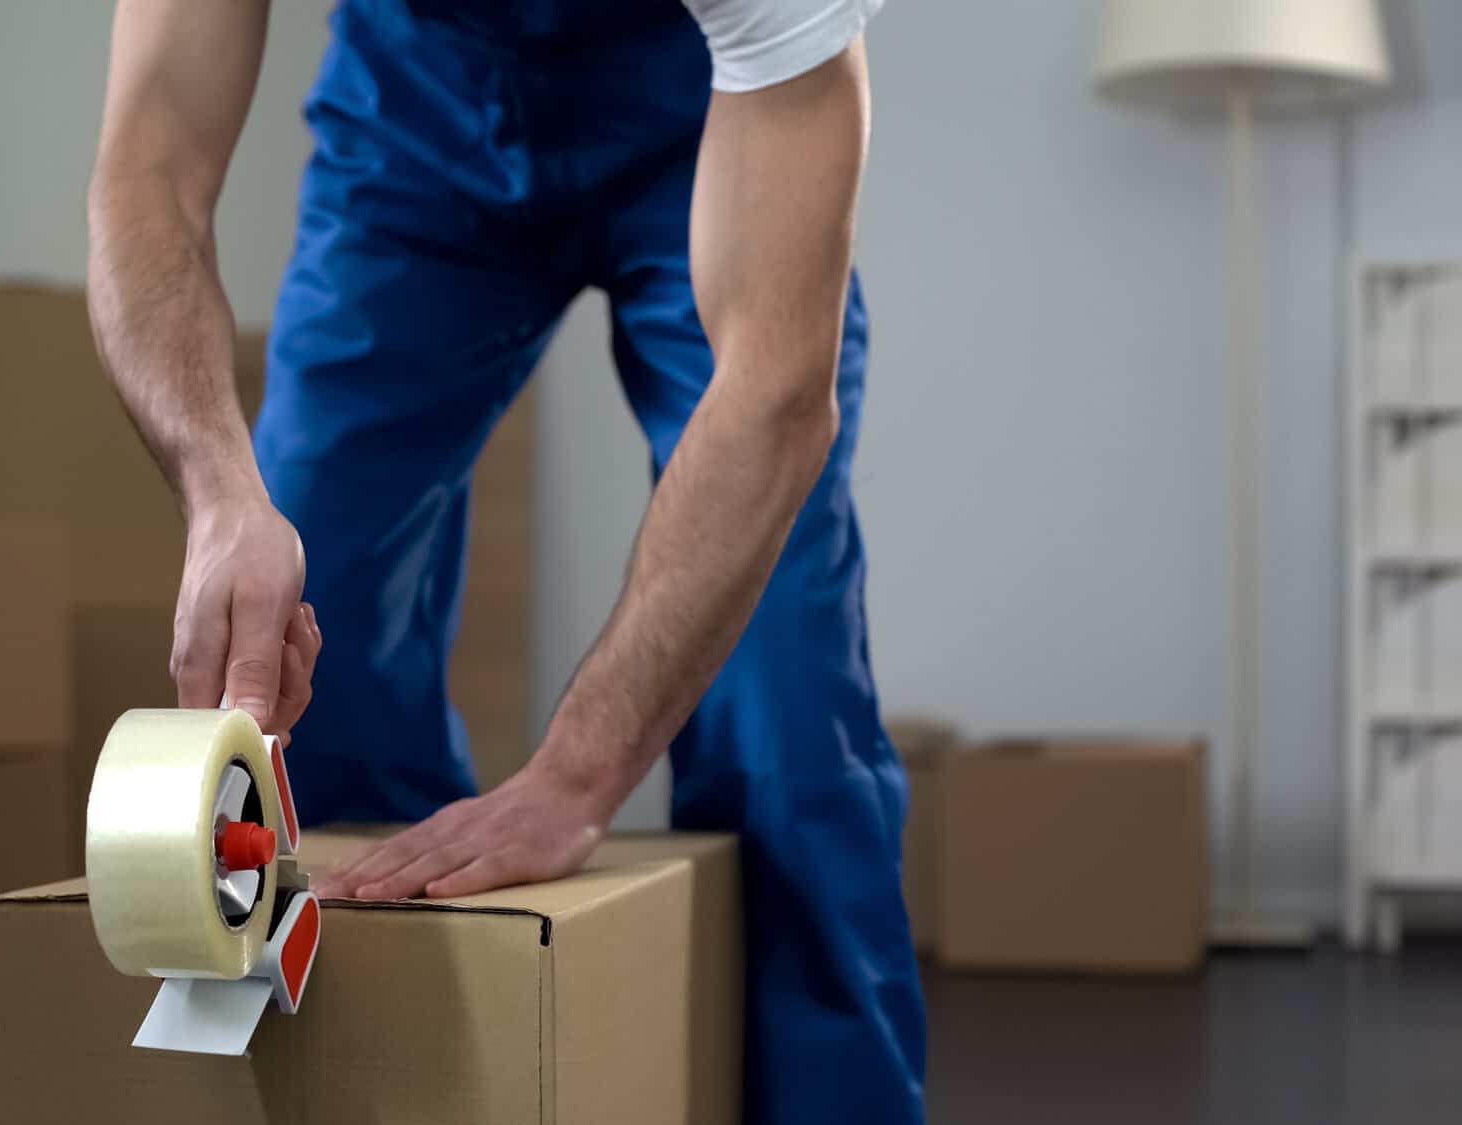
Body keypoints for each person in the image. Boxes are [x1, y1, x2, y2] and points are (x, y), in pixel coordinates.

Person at [86, 1, 921, 1120]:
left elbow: (772, 397)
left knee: (782, 697)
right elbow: (148, 174)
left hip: (705, 120)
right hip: (414, 123)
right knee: (300, 653)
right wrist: (217, 489)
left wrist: (574, 779)